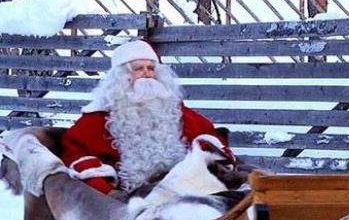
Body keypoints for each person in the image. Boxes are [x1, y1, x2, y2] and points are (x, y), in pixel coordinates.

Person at [62, 40, 226, 194]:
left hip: (183, 188)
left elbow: (209, 135)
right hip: (130, 197)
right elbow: (75, 152)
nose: (147, 73)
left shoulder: (173, 109)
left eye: (151, 68)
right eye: (139, 68)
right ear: (122, 77)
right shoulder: (98, 117)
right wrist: (105, 188)